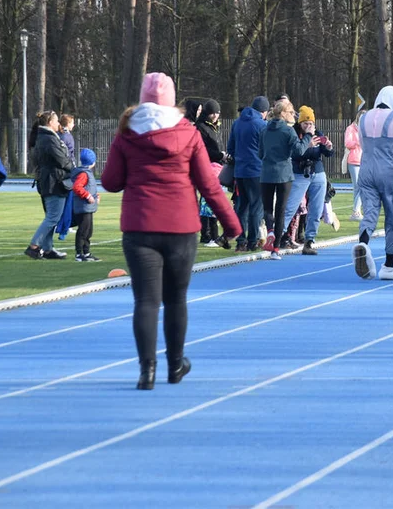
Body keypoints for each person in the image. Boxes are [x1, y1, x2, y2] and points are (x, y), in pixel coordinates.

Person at [102, 72, 240, 390]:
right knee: (176, 298)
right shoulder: (187, 133)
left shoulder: (127, 132)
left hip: (139, 226)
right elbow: (209, 185)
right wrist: (232, 225)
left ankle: (146, 371)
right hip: (181, 227)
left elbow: (110, 182)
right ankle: (175, 365)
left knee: (146, 301)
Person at [352, 86, 393, 281]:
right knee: (392, 217)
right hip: (388, 170)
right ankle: (389, 264)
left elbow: (363, 145)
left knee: (370, 211)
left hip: (366, 169)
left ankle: (364, 243)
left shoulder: (364, 118)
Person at [24, 111, 76, 260]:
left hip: (48, 181)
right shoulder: (48, 139)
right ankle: (34, 246)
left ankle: (47, 249)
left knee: (51, 216)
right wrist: (75, 171)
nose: (59, 124)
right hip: (54, 182)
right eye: (56, 121)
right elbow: (61, 159)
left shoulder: (43, 137)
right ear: (50, 123)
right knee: (53, 217)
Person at [281, 105, 331, 256]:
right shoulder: (294, 133)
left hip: (318, 173)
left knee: (315, 209)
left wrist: (328, 147)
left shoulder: (317, 133)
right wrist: (308, 144)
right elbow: (294, 153)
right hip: (299, 174)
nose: (309, 126)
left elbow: (327, 154)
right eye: (305, 123)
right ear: (300, 123)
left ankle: (309, 241)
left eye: (311, 124)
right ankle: (278, 236)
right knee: (291, 206)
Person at [259, 98, 301, 259]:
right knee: (281, 211)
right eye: (291, 112)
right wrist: (307, 138)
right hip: (284, 173)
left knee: (268, 208)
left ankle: (270, 231)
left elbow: (260, 153)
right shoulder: (288, 131)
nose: (293, 115)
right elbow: (298, 150)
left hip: (267, 172)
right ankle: (275, 249)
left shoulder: (264, 130)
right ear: (283, 113)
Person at [228, 95, 270, 251]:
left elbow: (231, 147)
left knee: (242, 206)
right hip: (257, 170)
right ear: (264, 111)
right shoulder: (262, 125)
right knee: (256, 207)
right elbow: (266, 149)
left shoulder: (237, 123)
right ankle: (253, 241)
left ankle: (241, 241)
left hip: (240, 171)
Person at [70, 148, 102, 261]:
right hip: (83, 207)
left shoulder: (87, 173)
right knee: (83, 231)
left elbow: (90, 187)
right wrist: (88, 196)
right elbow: (77, 187)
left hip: (87, 207)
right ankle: (79, 254)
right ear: (92, 162)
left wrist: (96, 195)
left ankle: (86, 252)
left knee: (88, 231)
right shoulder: (83, 174)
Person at [344, 111, 365, 220]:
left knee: (361, 186)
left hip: (364, 160)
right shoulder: (350, 129)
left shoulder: (367, 129)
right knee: (358, 186)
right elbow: (347, 143)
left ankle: (356, 211)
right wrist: (358, 142)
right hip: (354, 160)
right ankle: (356, 211)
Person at [196, 99, 226, 164]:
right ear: (207, 113)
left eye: (217, 113)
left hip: (219, 162)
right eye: (212, 113)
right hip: (208, 163)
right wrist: (220, 155)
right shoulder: (201, 127)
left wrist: (223, 154)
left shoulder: (217, 125)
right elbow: (203, 148)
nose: (215, 115)